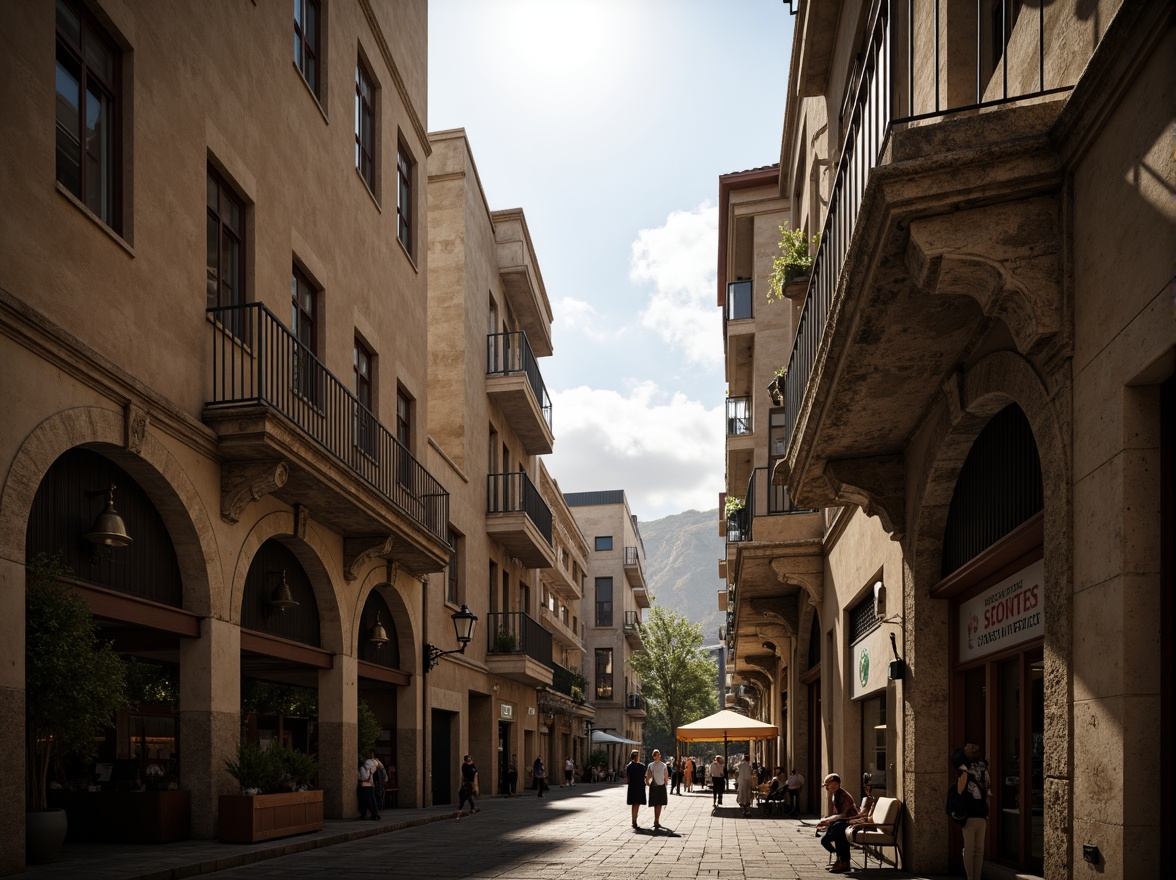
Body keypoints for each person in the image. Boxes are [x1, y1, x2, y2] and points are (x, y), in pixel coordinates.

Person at [953, 743, 991, 880]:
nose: (974, 749)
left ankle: (975, 877)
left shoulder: (980, 768)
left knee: (976, 849)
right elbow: (956, 758)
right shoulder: (965, 768)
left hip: (978, 814)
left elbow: (987, 787)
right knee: (972, 849)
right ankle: (972, 877)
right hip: (972, 814)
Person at [816, 773, 858, 873]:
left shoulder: (843, 795)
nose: (827, 788)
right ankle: (839, 857)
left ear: (835, 783)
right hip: (841, 821)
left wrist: (830, 820)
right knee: (825, 840)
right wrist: (827, 820)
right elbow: (837, 814)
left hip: (850, 821)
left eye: (828, 785)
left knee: (838, 828)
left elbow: (844, 815)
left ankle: (844, 861)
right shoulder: (835, 795)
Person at [645, 749, 670, 829]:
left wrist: (666, 782)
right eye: (656, 755)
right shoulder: (653, 765)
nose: (657, 756)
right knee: (657, 804)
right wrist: (666, 782)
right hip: (657, 786)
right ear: (654, 756)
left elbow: (665, 775)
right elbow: (648, 776)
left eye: (658, 754)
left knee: (658, 804)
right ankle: (656, 820)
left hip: (658, 785)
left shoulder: (662, 765)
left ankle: (656, 820)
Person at [625, 749, 647, 829]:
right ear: (636, 757)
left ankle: (633, 820)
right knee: (637, 804)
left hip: (632, 786)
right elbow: (644, 772)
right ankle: (634, 820)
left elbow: (628, 777)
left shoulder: (629, 766)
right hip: (639, 786)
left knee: (634, 804)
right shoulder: (641, 766)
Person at [356, 756, 380, 821]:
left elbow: (364, 777)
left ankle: (365, 815)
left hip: (364, 786)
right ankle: (375, 814)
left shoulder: (362, 768)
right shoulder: (371, 767)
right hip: (371, 786)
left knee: (365, 802)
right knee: (372, 801)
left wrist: (359, 776)